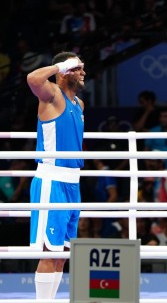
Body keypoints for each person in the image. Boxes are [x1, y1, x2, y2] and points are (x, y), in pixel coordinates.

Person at [26, 51, 86, 300]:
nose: (83, 73)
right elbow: (32, 78)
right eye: (78, 68)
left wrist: (69, 67)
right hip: (52, 181)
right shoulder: (51, 95)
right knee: (49, 253)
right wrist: (61, 66)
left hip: (73, 183)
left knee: (62, 254)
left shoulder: (79, 105)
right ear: (65, 72)